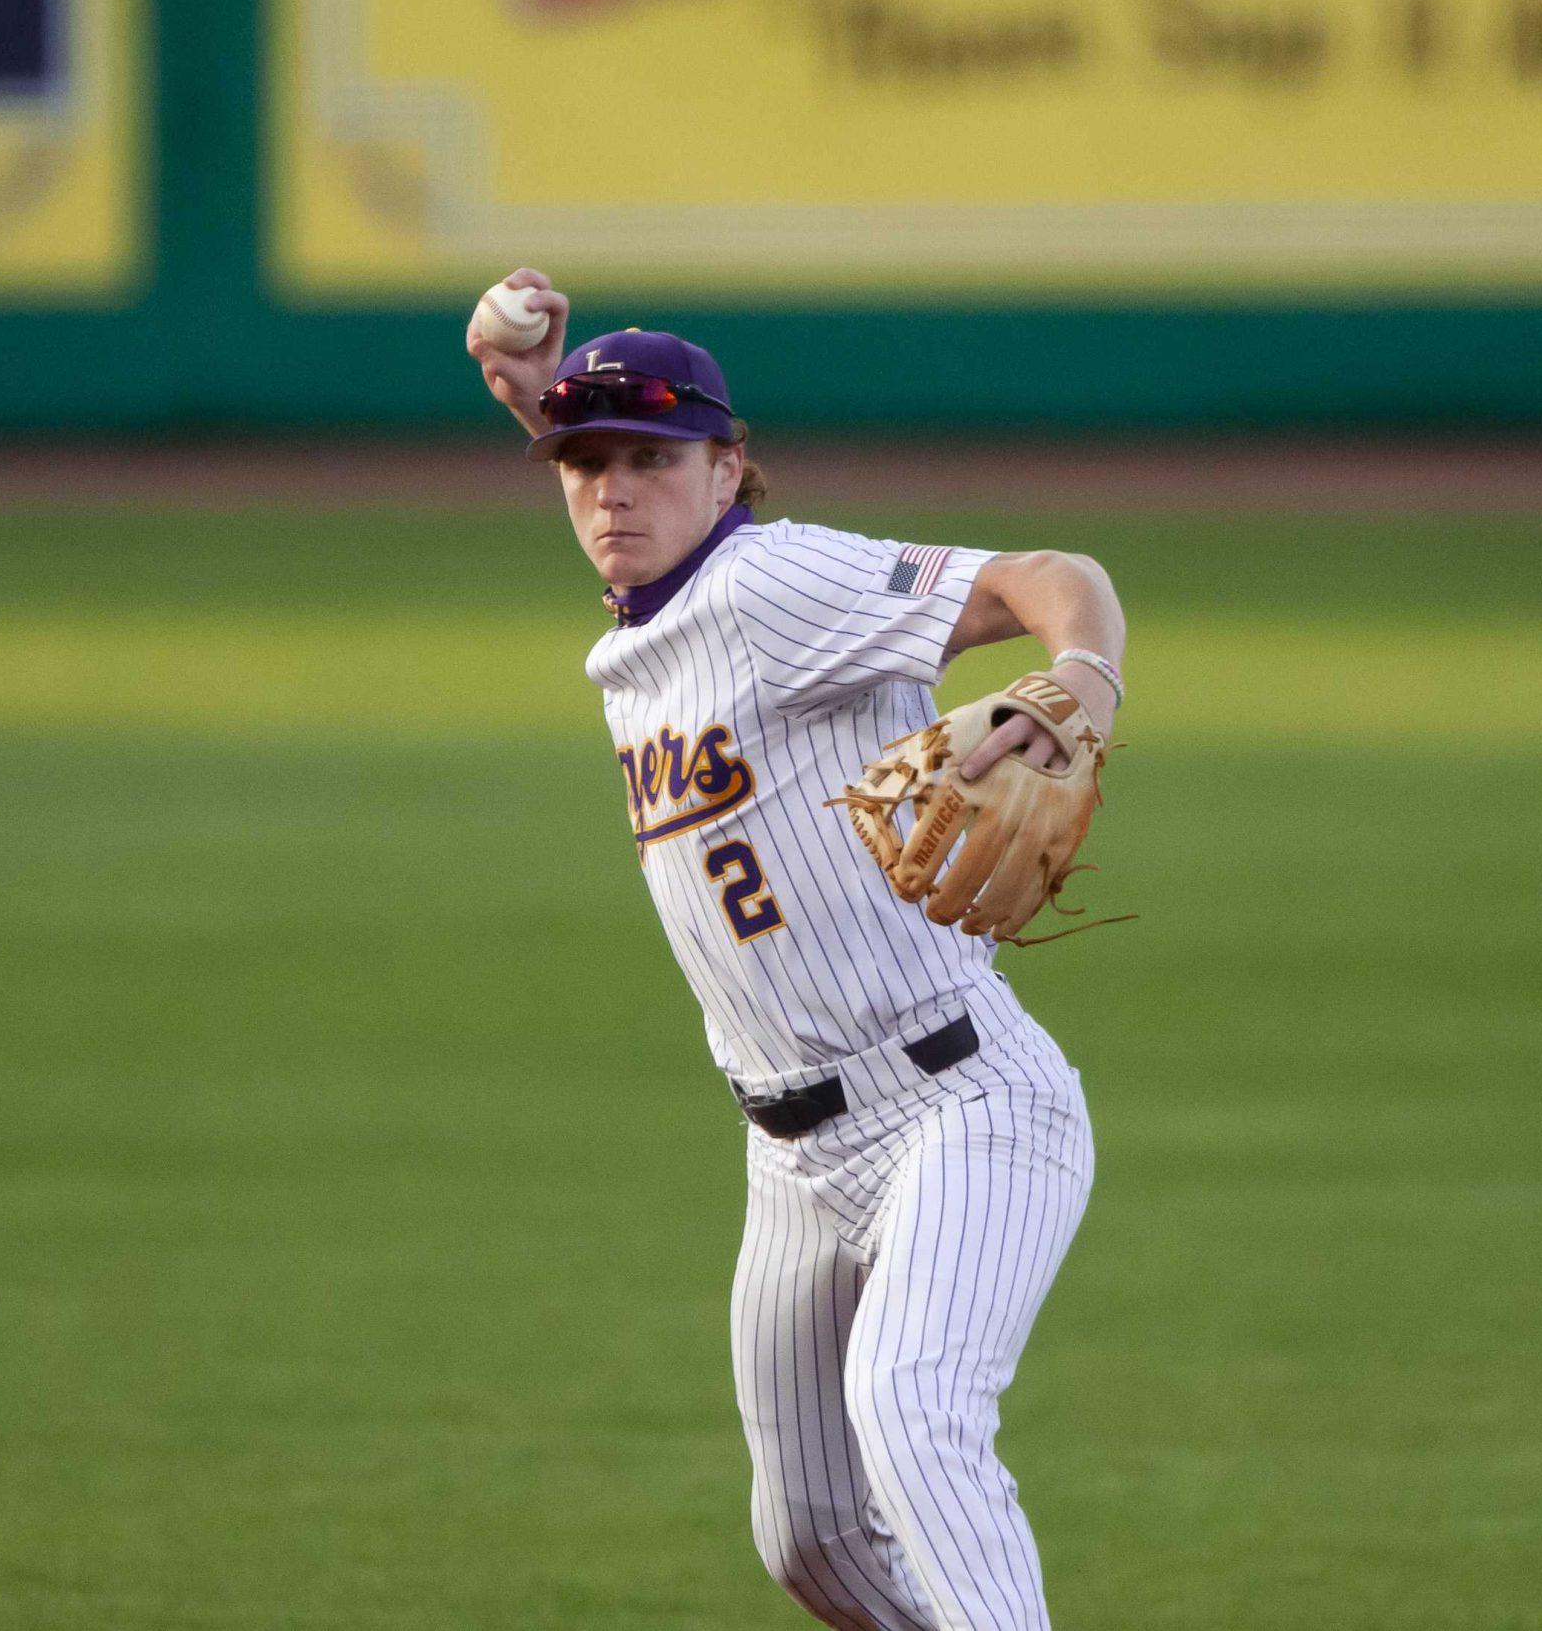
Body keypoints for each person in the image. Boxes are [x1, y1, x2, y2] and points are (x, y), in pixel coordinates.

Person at [469, 269, 1128, 1631]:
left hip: (960, 1103)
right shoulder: (651, 604)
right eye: (584, 465)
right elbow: (616, 503)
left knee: (914, 1407)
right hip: (794, 1159)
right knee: (815, 1543)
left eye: (653, 461)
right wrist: (542, 399)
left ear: (730, 470)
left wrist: (1085, 677)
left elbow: (1052, 579)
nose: (612, 491)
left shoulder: (777, 579)